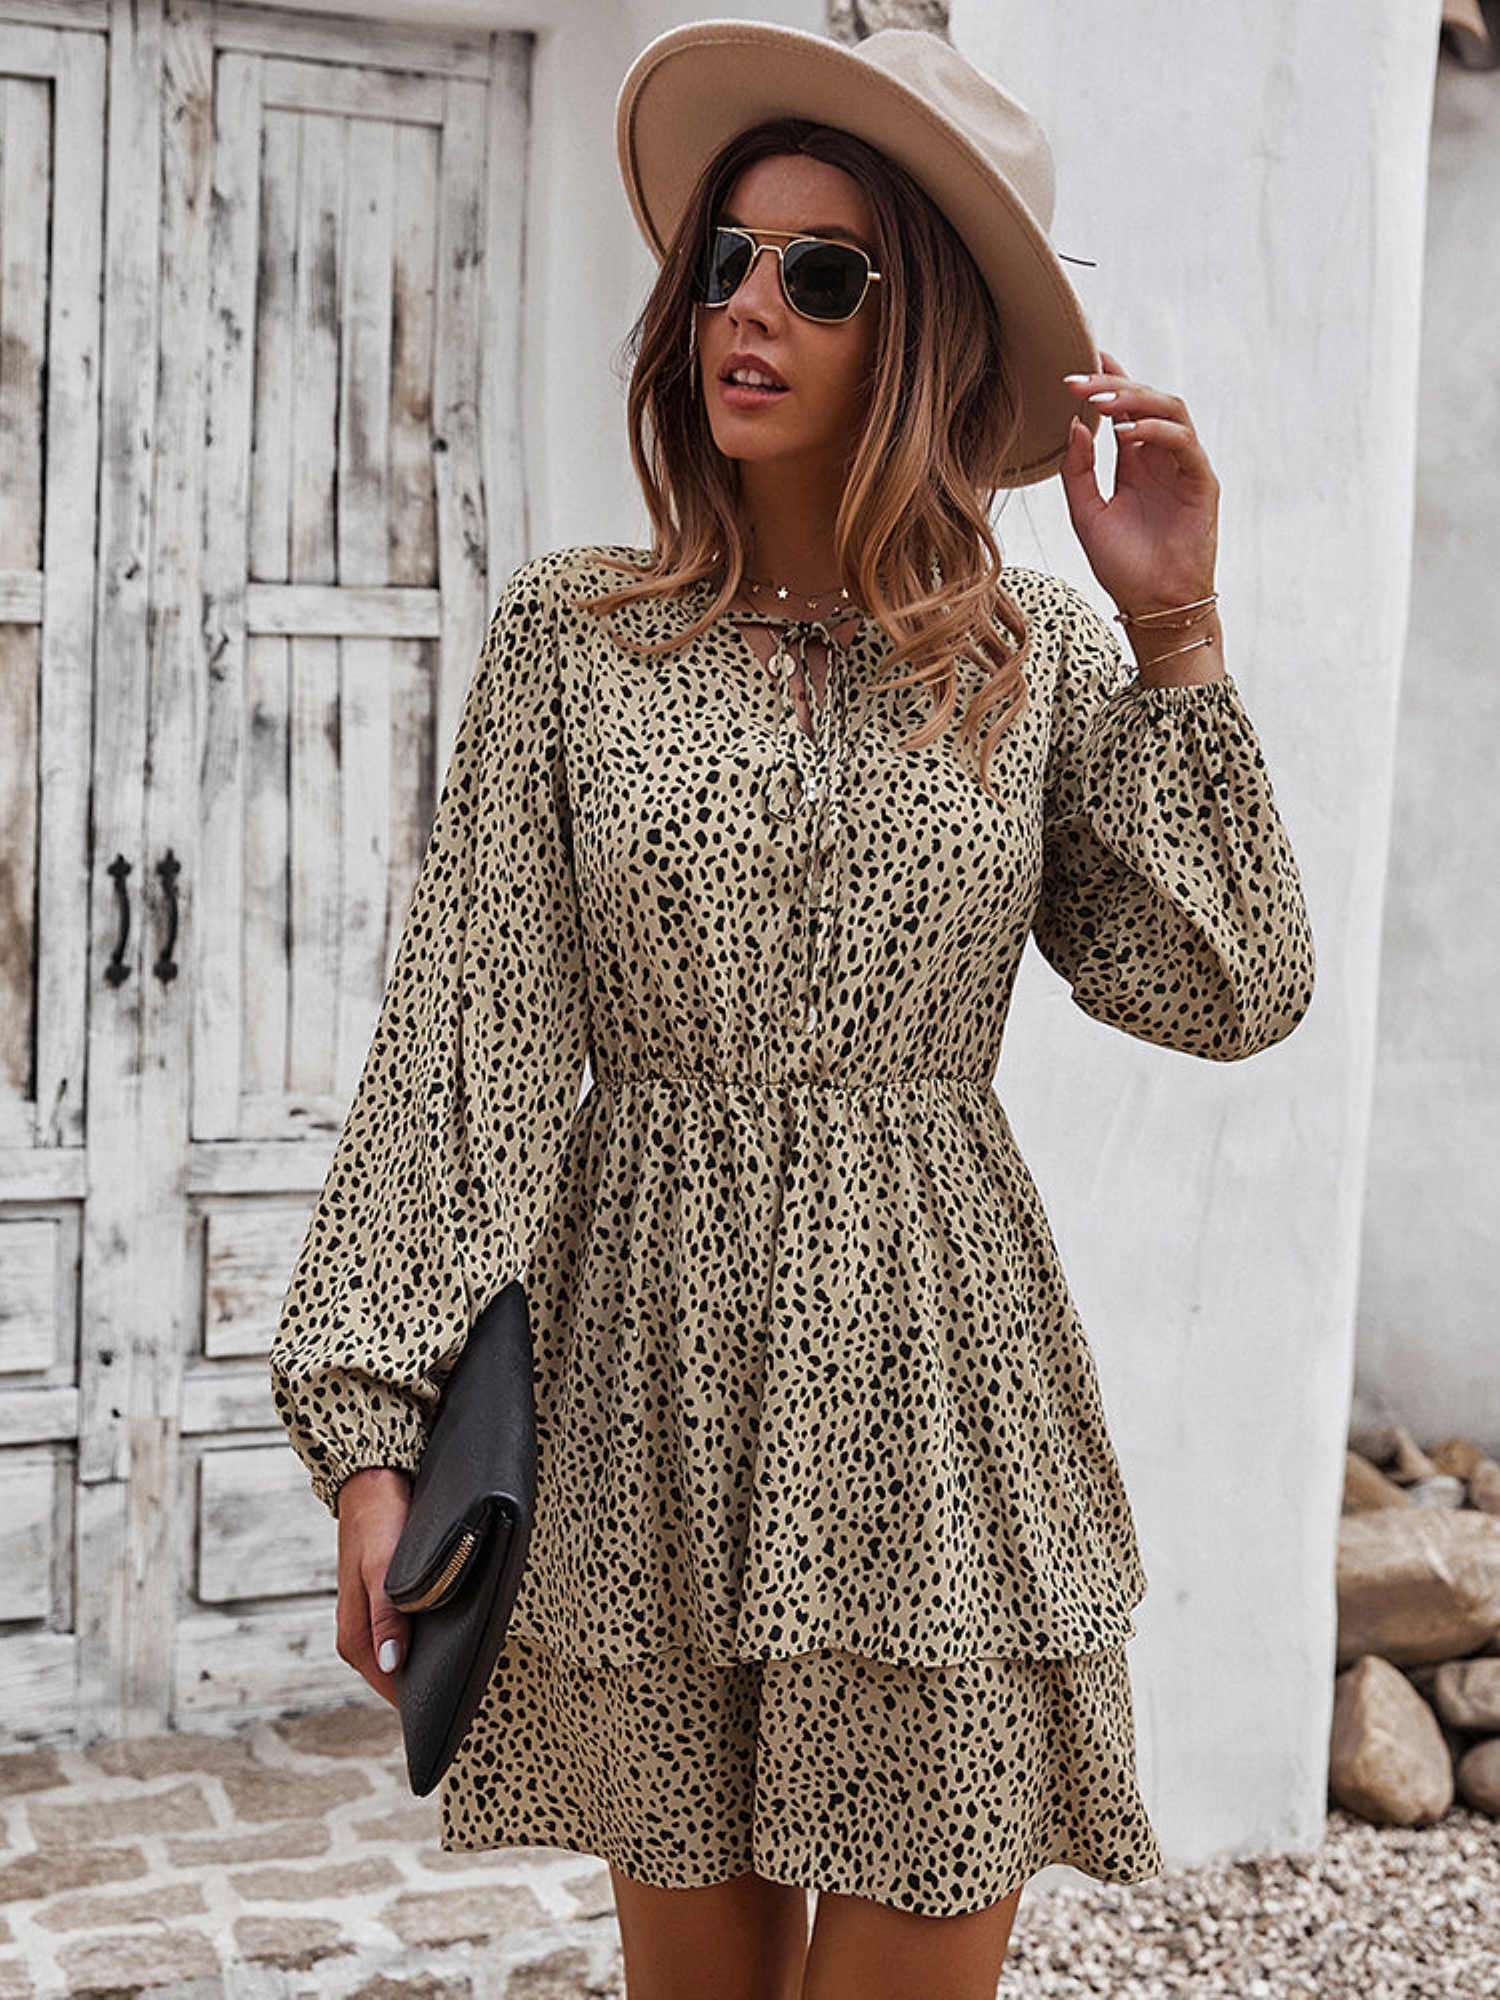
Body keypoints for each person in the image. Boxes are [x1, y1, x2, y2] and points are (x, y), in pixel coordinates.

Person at [271, 22, 1314, 2000]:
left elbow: (1227, 983)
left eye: (822, 276)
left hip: (935, 1397)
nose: (749, 309)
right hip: (643, 1397)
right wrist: (373, 1435)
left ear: (924, 337)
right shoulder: (576, 639)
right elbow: (468, 1050)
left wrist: (1176, 628)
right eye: (729, 263)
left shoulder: (1030, 661)